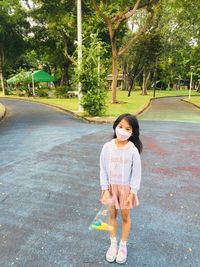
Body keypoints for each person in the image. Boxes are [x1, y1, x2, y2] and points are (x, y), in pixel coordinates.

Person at [100, 113, 143, 264]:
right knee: (111, 215)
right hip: (111, 188)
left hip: (126, 190)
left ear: (132, 132)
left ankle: (123, 245)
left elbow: (137, 173)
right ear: (115, 126)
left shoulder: (132, 150)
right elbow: (103, 169)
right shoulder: (107, 147)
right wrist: (105, 188)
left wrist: (133, 191)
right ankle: (113, 244)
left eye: (127, 128)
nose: (122, 131)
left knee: (125, 217)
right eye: (120, 126)